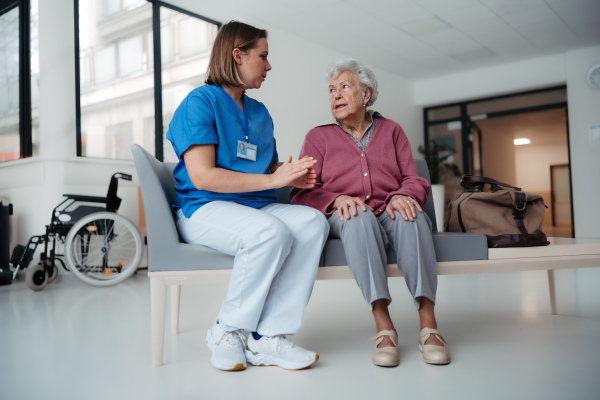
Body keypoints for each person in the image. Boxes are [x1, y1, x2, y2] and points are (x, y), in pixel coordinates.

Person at [166, 21, 329, 372]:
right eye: (264, 56)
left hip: (254, 206)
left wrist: (290, 176)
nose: (269, 66)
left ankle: (267, 336)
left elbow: (258, 167)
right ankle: (227, 329)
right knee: (268, 231)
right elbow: (203, 175)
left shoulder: (259, 113)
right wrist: (273, 177)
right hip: (203, 207)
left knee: (313, 221)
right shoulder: (200, 102)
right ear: (237, 55)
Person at [291, 58, 450, 367]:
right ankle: (383, 325)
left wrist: (403, 196)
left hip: (389, 208)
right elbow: (302, 192)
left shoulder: (392, 131)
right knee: (357, 216)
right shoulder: (318, 137)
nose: (335, 95)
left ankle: (428, 325)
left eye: (344, 87)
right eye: (331, 90)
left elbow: (414, 179)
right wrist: (336, 199)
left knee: (411, 215)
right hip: (346, 212)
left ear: (366, 95)